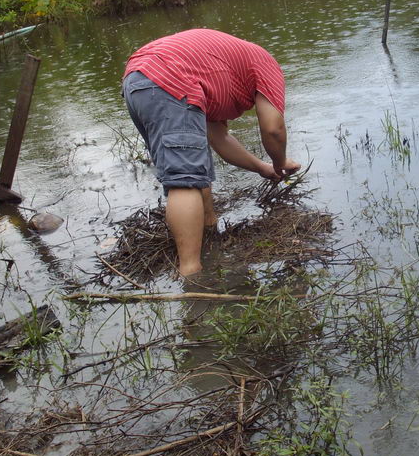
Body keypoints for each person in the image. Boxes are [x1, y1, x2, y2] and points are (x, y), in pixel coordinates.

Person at [122, 28, 301, 277]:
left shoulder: (222, 70)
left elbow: (219, 138)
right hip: (170, 77)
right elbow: (273, 129)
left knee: (194, 165)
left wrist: (263, 168)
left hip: (138, 78)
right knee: (184, 180)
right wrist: (280, 162)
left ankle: (208, 228)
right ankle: (193, 277)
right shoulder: (266, 64)